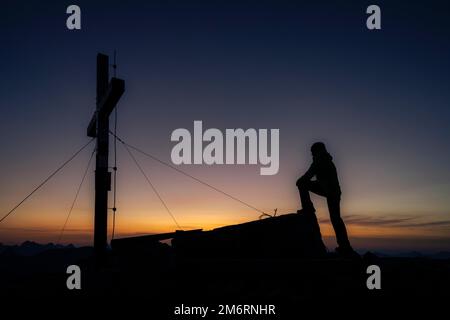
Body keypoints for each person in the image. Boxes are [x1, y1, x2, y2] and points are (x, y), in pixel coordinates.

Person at [296, 142, 356, 257]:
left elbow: (307, 175)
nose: (311, 154)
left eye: (312, 152)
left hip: (330, 191)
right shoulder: (326, 159)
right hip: (332, 190)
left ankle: (308, 208)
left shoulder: (319, 160)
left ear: (316, 151)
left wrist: (299, 180)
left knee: (301, 184)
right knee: (336, 218)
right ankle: (345, 246)